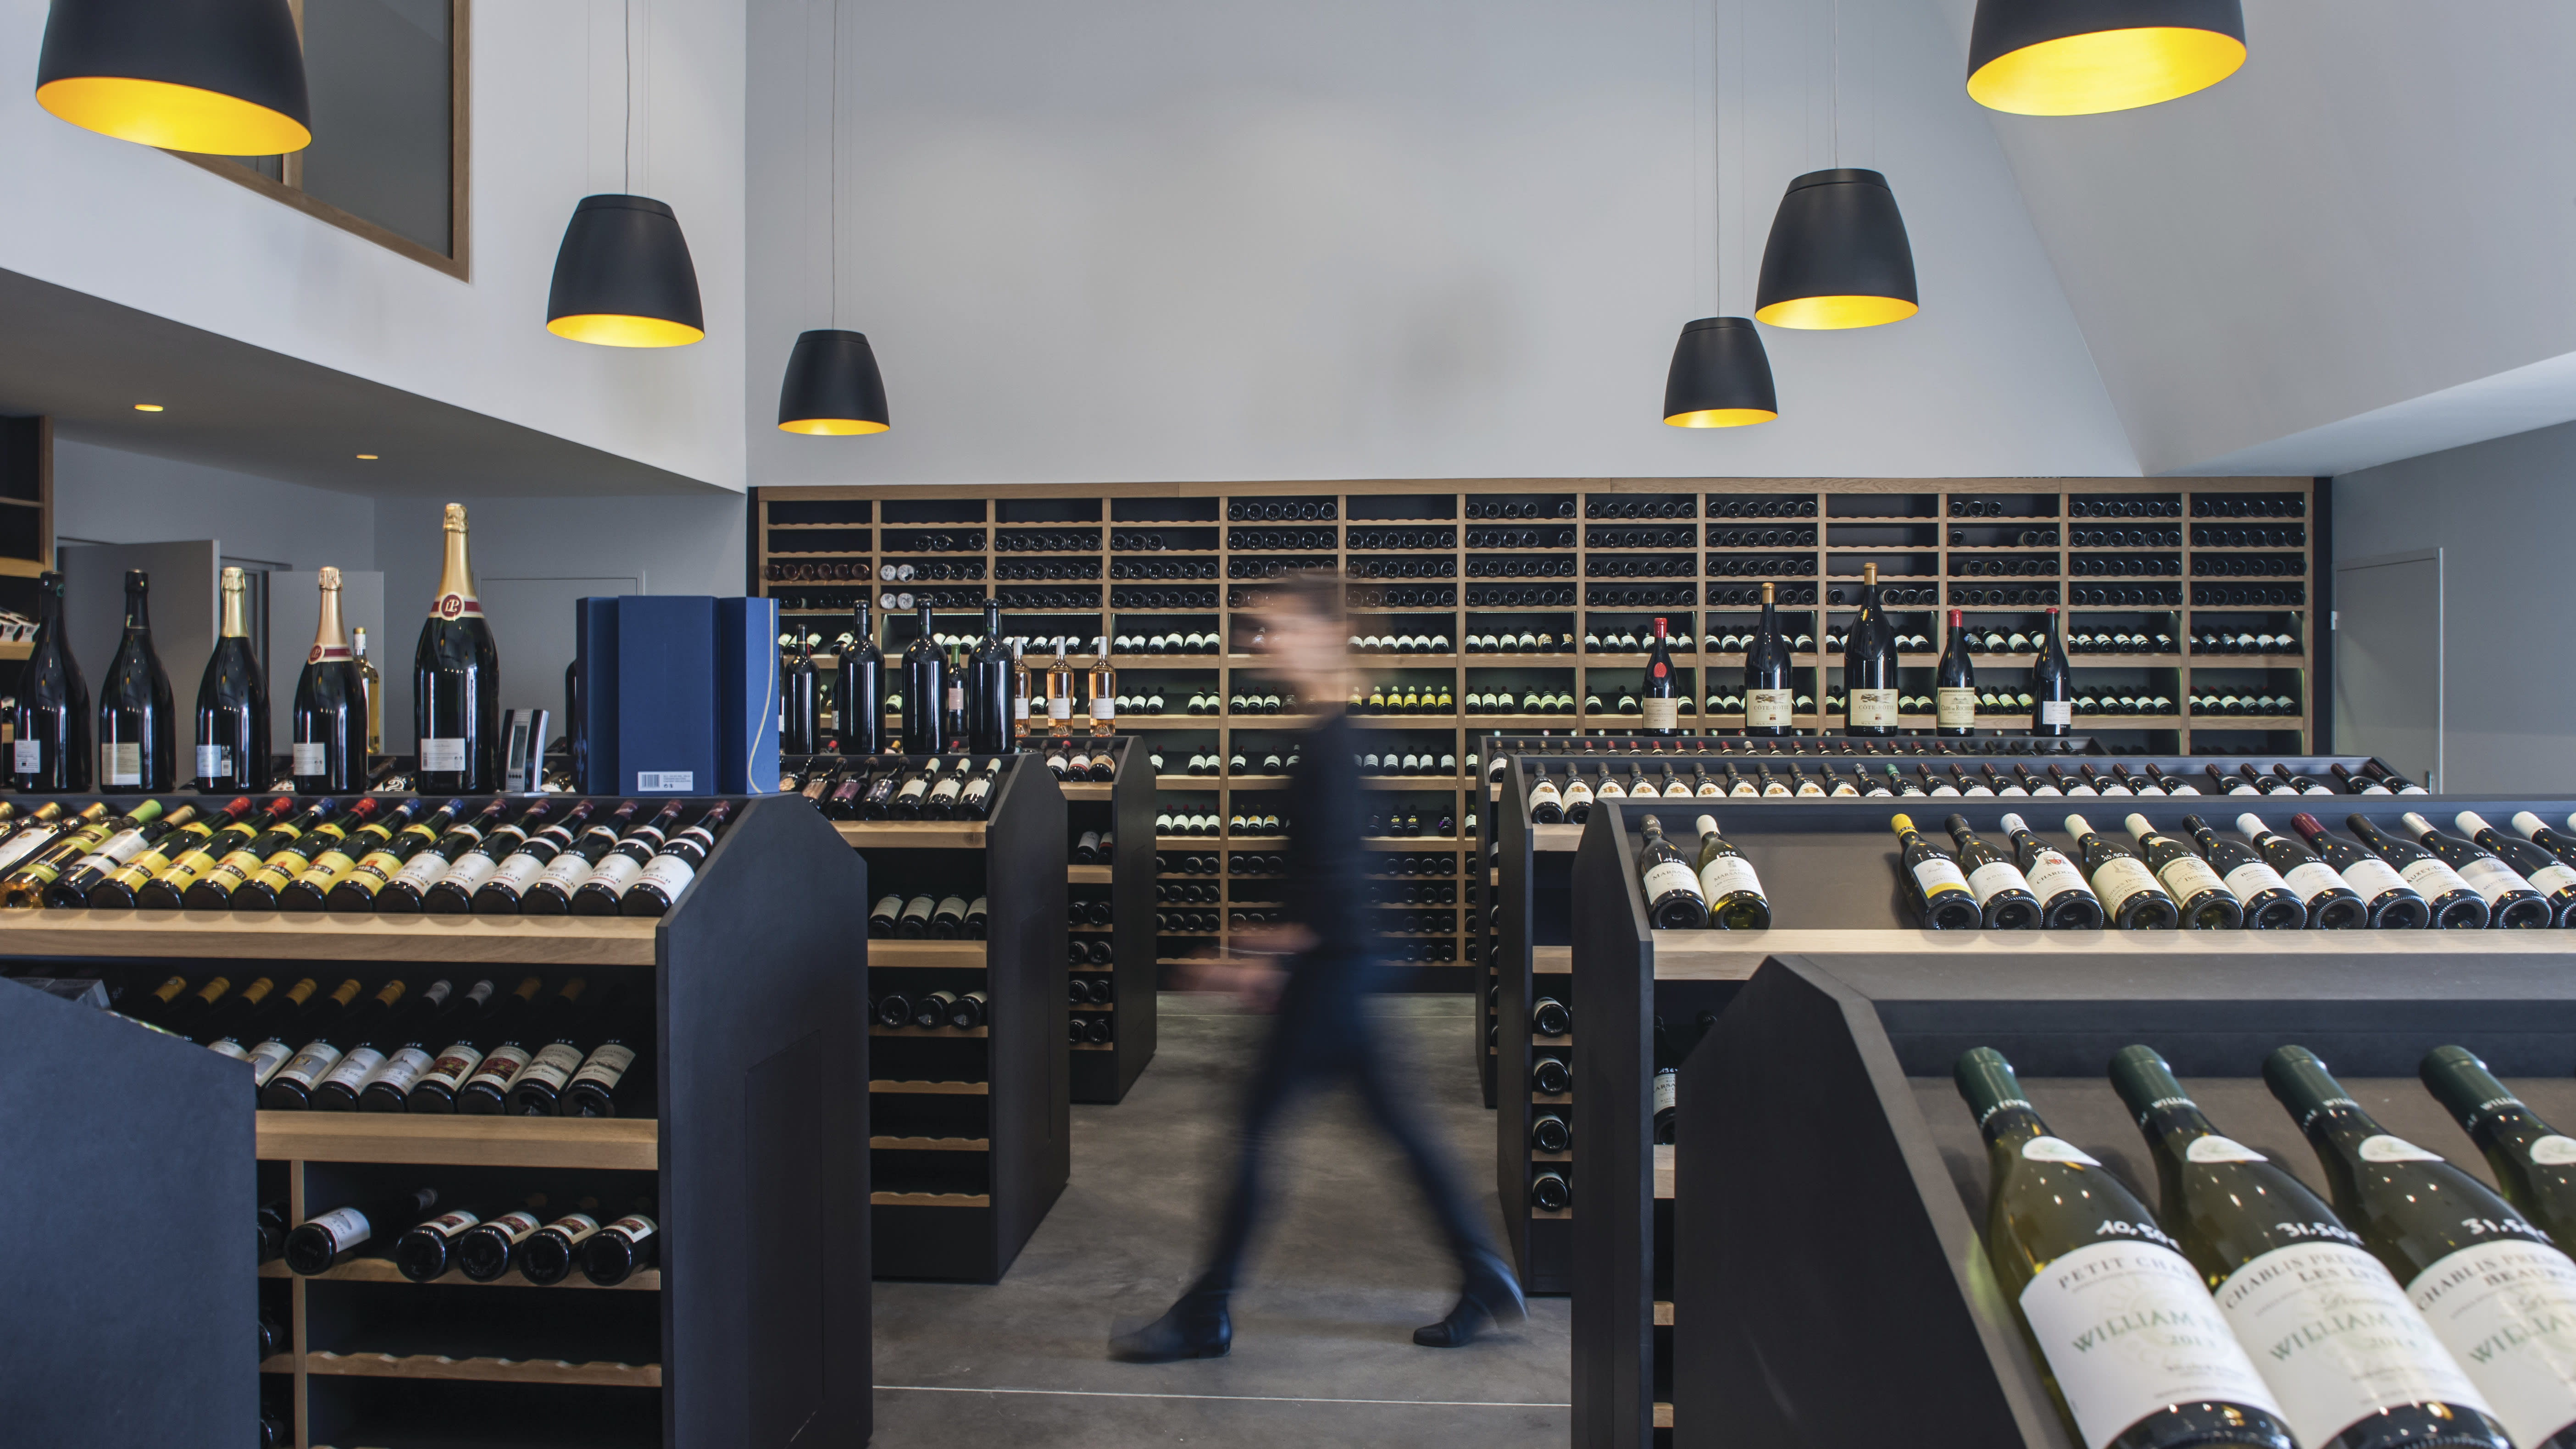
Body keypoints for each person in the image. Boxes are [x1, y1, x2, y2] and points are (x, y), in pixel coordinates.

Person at [1109, 571, 1524, 1363]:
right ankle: (1483, 1274)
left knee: (1256, 1135)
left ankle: (1207, 1314)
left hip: (1333, 972)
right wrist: (1261, 947)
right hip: (1347, 967)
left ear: (1331, 635)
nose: (1265, 642)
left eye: (1283, 627)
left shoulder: (1330, 744)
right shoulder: (1334, 730)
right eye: (1261, 629)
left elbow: (1333, 884)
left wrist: (1252, 955)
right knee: (1399, 1129)